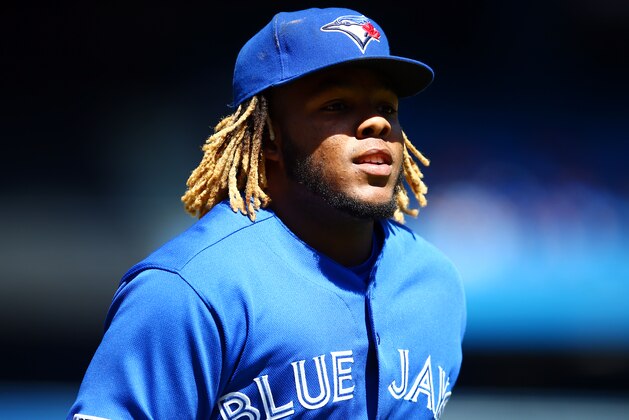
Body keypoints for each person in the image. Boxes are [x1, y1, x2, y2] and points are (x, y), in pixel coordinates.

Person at [68, 6, 466, 420]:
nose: (376, 125)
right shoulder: (191, 290)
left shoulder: (435, 282)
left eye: (387, 107)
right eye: (336, 105)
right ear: (269, 136)